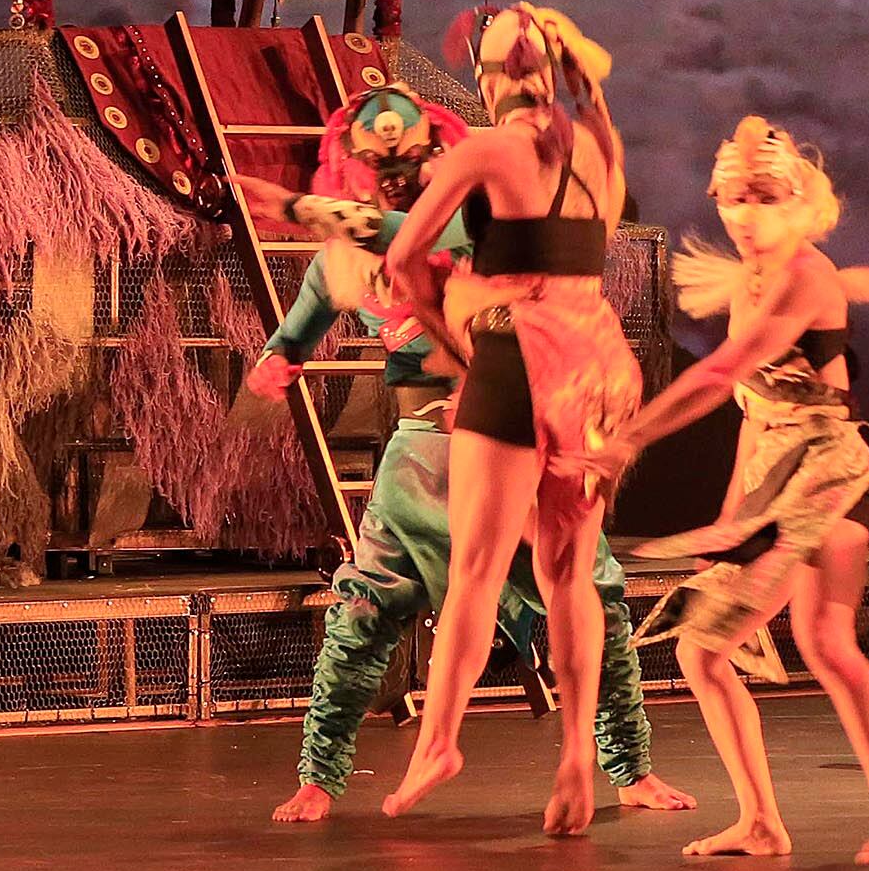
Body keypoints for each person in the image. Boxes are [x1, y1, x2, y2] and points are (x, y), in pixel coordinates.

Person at [231, 85, 693, 825]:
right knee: (365, 607)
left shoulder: (474, 224)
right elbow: (296, 331)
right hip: (425, 452)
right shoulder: (339, 264)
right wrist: (276, 361)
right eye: (381, 167)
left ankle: (628, 767)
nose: (397, 180)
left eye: (410, 163)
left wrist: (295, 206)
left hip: (517, 432)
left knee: (588, 588)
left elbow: (401, 234)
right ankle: (320, 776)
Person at [582, 118, 869, 865]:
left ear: (799, 202)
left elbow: (720, 375)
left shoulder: (805, 275)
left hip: (826, 471)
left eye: (764, 198)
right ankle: (774, 822)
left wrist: (629, 438)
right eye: (734, 199)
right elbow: (753, 406)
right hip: (782, 472)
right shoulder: (753, 281)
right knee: (782, 646)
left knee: (745, 646)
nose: (745, 215)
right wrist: (732, 517)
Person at [371, 5, 642, 834]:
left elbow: (402, 258)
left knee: (477, 570)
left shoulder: (487, 149)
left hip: (519, 357)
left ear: (491, 81)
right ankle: (576, 757)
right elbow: (586, 243)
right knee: (570, 574)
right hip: (595, 365)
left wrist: (452, 336)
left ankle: (439, 742)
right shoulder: (601, 147)